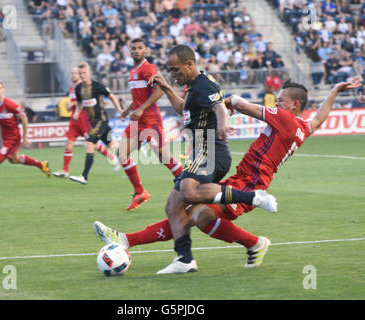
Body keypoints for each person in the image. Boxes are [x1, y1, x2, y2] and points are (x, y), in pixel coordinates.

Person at [93, 76, 362, 273]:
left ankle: (254, 243)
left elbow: (244, 105)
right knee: (190, 209)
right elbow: (319, 118)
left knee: (198, 214)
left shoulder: (287, 119)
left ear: (293, 105)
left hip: (252, 183)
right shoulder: (303, 125)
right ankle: (129, 240)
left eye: (280, 100)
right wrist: (336, 89)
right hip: (242, 177)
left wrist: (225, 102)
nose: (277, 103)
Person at [131, 44, 276, 274]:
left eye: (176, 70)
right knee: (173, 205)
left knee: (188, 192)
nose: (173, 74)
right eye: (170, 70)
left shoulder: (204, 84)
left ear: (190, 64)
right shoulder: (190, 88)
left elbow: (219, 107)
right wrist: (167, 88)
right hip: (200, 153)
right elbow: (183, 110)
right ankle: (184, 259)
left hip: (211, 151)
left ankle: (253, 197)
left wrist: (224, 125)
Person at [118, 38, 183, 211]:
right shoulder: (133, 71)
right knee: (122, 153)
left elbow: (160, 89)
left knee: (164, 158)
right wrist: (128, 110)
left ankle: (187, 186)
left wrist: (140, 109)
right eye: (133, 48)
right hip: (137, 121)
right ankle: (140, 192)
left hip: (151, 121)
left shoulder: (148, 68)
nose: (136, 51)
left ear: (145, 50)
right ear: (129, 50)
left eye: (140, 48)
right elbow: (138, 98)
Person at [0, 80, 51, 191]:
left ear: (3, 90)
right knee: (14, 160)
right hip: (5, 139)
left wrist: (25, 137)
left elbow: (24, 117)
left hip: (13, 138)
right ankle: (41, 165)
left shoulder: (10, 104)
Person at [53, 67, 120, 178]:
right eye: (72, 73)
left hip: (85, 120)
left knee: (92, 144)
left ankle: (112, 158)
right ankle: (65, 171)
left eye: (76, 73)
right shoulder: (73, 88)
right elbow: (78, 102)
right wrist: (71, 107)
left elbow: (87, 101)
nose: (73, 75)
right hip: (74, 120)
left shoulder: (85, 87)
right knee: (69, 144)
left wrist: (73, 104)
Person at [68, 62, 123, 185]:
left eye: (84, 73)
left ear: (89, 73)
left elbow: (111, 96)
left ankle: (84, 177)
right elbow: (79, 102)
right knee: (113, 145)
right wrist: (77, 112)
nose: (82, 75)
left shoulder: (97, 86)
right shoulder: (78, 89)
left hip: (101, 120)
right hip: (93, 122)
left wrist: (119, 109)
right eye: (80, 73)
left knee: (89, 144)